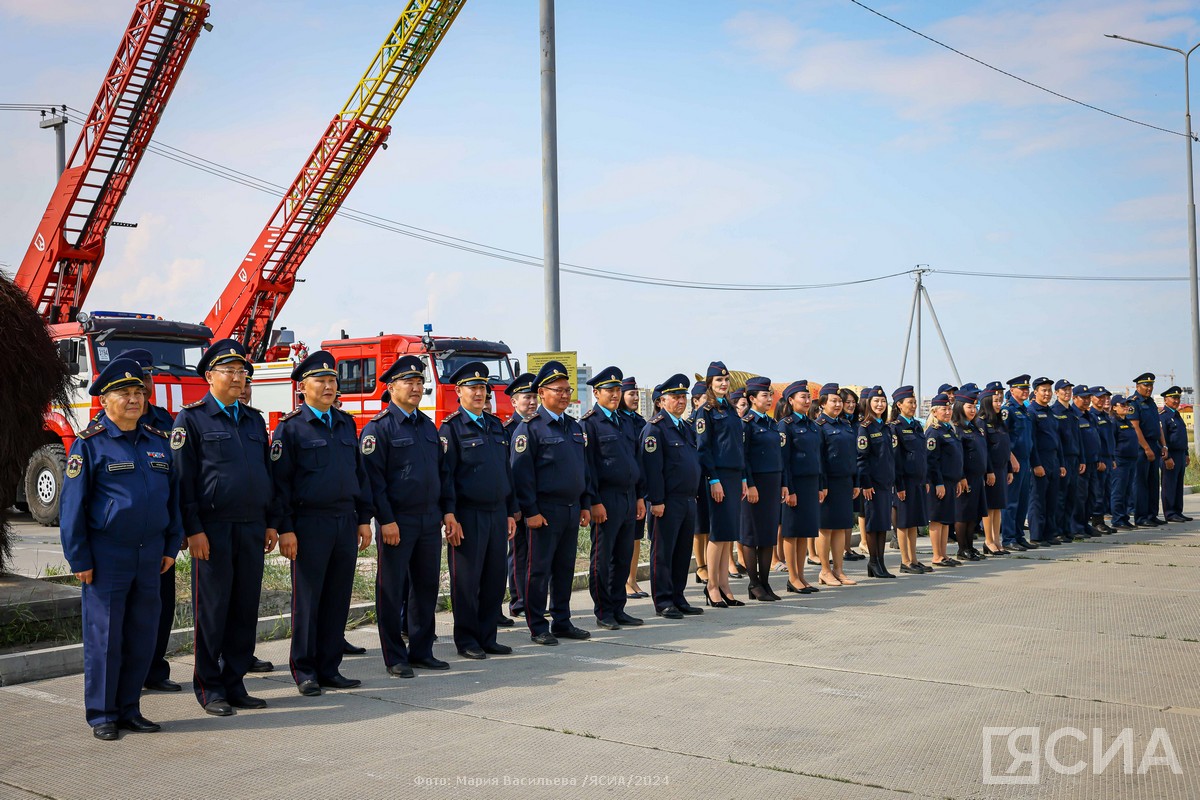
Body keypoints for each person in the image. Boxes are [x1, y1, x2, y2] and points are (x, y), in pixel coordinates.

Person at [60, 358, 183, 740]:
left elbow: (172, 500)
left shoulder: (157, 442)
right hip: (107, 555)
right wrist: (79, 556)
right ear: (104, 401)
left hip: (150, 555)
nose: (133, 400)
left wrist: (170, 545)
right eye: (124, 394)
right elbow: (72, 508)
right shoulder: (91, 444)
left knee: (142, 635)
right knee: (106, 637)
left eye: (138, 393)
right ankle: (102, 715)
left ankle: (130, 709)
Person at [172, 339, 276, 717]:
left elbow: (266, 474)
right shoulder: (192, 419)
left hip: (252, 527)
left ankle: (235, 682)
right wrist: (193, 528)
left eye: (242, 371)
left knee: (245, 608)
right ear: (209, 376)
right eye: (229, 371)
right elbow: (184, 482)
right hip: (212, 530)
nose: (237, 377)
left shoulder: (254, 420)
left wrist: (269, 522)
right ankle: (209, 686)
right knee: (213, 610)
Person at [269, 351, 373, 696]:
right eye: (321, 381)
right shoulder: (291, 427)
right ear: (303, 387)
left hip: (344, 520)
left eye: (332, 381)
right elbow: (280, 484)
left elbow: (359, 473)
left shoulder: (345, 423)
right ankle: (305, 670)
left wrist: (363, 519)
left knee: (337, 598)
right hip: (309, 522)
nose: (329, 387)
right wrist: (286, 527)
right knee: (309, 600)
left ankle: (330, 667)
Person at [92, 348, 182, 694]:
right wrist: (81, 556)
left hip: (155, 544)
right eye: (129, 388)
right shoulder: (95, 438)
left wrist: (176, 537)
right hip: (113, 549)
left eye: (143, 383)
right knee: (115, 624)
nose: (138, 392)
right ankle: (112, 698)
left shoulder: (163, 423)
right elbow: (79, 505)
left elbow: (174, 486)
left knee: (155, 612)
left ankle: (151, 673)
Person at [361, 355, 446, 677]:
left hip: (428, 519)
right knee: (391, 589)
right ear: (391, 387)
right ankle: (395, 656)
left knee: (426, 588)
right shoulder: (379, 428)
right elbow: (373, 480)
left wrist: (442, 512)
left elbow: (439, 472)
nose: (415, 388)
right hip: (398, 521)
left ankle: (422, 650)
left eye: (419, 382)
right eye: (408, 382)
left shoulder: (427, 426)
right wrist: (386, 520)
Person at [439, 362, 519, 659]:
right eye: (472, 388)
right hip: (467, 515)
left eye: (482, 387)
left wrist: (511, 511)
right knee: (467, 581)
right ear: (458, 391)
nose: (478, 392)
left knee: (494, 578)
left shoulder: (496, 425)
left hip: (497, 513)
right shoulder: (451, 428)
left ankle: (488, 636)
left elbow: (505, 472)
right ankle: (467, 639)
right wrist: (450, 514)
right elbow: (446, 476)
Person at [511, 360, 593, 645]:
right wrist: (530, 511)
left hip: (571, 510)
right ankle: (537, 624)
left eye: (567, 389)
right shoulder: (530, 428)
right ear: (542, 393)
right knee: (539, 570)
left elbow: (583, 469)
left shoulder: (573, 427)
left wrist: (585, 503)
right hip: (543, 513)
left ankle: (562, 619)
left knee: (564, 569)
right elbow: (521, 475)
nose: (564, 394)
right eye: (558, 390)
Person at [581, 366, 646, 629]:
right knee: (602, 557)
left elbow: (635, 460)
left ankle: (619, 607)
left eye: (618, 389)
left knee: (623, 555)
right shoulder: (590, 423)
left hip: (629, 496)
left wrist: (640, 496)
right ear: (596, 393)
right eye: (609, 390)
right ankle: (603, 610)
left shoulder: (625, 420)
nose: (615, 394)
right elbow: (588, 467)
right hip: (605, 499)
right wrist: (594, 500)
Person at [639, 374, 705, 619]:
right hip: (666, 501)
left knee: (681, 552)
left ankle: (679, 596)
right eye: (675, 397)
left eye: (683, 397)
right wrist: (656, 500)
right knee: (663, 553)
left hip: (687, 500)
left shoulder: (685, 427)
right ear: (661, 401)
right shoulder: (655, 428)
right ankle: (664, 600)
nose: (681, 401)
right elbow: (652, 468)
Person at [694, 361, 747, 607]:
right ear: (709, 384)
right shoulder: (705, 411)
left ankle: (725, 584)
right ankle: (712, 586)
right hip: (717, 477)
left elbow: (738, 446)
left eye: (726, 380)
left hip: (734, 476)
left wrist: (744, 479)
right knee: (717, 532)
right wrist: (713, 478)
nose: (724, 384)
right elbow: (703, 449)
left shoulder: (731, 409)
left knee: (728, 533)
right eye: (718, 381)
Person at [740, 376, 783, 600]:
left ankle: (765, 583)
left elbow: (779, 456)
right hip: (755, 485)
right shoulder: (747, 424)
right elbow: (743, 458)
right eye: (764, 395)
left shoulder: (772, 423)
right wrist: (751, 484)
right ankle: (753, 584)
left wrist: (783, 483)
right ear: (752, 398)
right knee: (751, 535)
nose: (769, 398)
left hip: (773, 484)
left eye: (770, 395)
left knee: (767, 536)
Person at [778, 381, 822, 592]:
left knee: (805, 531)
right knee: (791, 531)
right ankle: (792, 577)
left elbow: (818, 458)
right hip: (795, 484)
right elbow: (784, 461)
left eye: (808, 397)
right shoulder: (785, 425)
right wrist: (789, 488)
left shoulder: (813, 425)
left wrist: (821, 485)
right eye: (802, 397)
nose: (807, 401)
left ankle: (802, 576)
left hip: (811, 483)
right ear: (791, 400)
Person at [816, 384, 859, 585]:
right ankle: (824, 570)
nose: (838, 404)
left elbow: (853, 456)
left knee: (841, 527)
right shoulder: (819, 426)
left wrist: (855, 481)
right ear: (823, 403)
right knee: (826, 528)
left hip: (844, 481)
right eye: (833, 400)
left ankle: (839, 570)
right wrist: (821, 484)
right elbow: (819, 459)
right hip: (828, 483)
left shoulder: (845, 425)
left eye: (839, 401)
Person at [503, 372, 538, 619]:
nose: (533, 402)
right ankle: (519, 600)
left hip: (538, 502)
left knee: (537, 556)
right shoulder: (508, 429)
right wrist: (513, 506)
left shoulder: (538, 426)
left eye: (535, 397)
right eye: (527, 397)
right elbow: (509, 472)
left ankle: (534, 598)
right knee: (519, 553)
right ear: (514, 402)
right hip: (517, 504)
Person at [856, 385, 896, 579]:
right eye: (876, 401)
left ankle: (880, 562)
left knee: (882, 525)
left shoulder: (886, 428)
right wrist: (865, 483)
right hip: (872, 485)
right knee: (873, 525)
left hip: (886, 484)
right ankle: (873, 561)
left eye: (882, 401)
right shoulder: (865, 428)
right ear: (869, 404)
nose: (880, 404)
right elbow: (861, 458)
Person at [889, 386, 930, 573]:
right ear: (899, 405)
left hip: (918, 481)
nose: (913, 406)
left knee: (913, 522)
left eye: (914, 402)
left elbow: (922, 455)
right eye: (910, 402)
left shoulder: (916, 425)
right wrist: (899, 485)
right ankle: (905, 561)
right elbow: (896, 459)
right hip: (904, 482)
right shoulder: (895, 427)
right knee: (904, 523)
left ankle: (914, 558)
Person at [619, 377, 650, 599]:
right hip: (620, 489)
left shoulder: (640, 422)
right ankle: (623, 582)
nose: (636, 398)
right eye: (631, 394)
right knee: (623, 540)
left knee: (636, 537)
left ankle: (632, 579)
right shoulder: (618, 420)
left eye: (637, 394)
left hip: (638, 488)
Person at [926, 393, 964, 567]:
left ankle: (944, 554)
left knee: (946, 519)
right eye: (944, 409)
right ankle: (936, 555)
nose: (948, 412)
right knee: (937, 518)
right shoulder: (933, 432)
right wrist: (938, 483)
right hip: (939, 482)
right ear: (934, 411)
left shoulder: (948, 429)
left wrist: (957, 479)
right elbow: (932, 461)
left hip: (950, 481)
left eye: (949, 408)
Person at [1027, 377, 1065, 546]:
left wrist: (1062, 463)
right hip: (1040, 460)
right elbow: (1031, 441)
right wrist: (1036, 464)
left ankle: (1050, 533)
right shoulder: (1032, 412)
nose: (1047, 393)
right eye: (1044, 390)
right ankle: (1036, 535)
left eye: (1049, 390)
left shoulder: (1051, 413)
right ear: (1035, 392)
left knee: (1052, 499)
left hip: (1054, 460)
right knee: (1038, 500)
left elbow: (1058, 440)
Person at [978, 384, 1015, 556]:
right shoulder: (982, 422)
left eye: (1000, 400)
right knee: (989, 507)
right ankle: (988, 540)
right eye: (995, 401)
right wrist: (989, 471)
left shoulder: (999, 422)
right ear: (986, 402)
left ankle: (997, 540)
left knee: (998, 507)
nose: (999, 403)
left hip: (1001, 469)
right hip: (990, 471)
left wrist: (1008, 469)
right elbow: (983, 449)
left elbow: (1005, 448)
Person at [952, 386, 988, 561]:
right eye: (969, 407)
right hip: (965, 478)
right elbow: (958, 457)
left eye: (974, 407)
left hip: (977, 477)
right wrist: (961, 476)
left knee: (973, 514)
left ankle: (970, 546)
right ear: (960, 407)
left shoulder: (975, 428)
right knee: (963, 514)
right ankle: (962, 548)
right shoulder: (957, 429)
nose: (973, 411)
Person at [1001, 375, 1036, 551]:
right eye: (1021, 388)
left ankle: (1019, 535)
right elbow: (1003, 437)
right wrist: (1012, 458)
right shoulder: (1008, 410)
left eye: (1026, 388)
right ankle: (1008, 538)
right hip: (1014, 461)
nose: (1025, 391)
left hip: (1026, 460)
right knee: (1011, 501)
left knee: (1023, 501)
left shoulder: (1025, 410)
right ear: (1012, 390)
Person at [1128, 373, 1167, 527]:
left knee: (1153, 483)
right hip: (1141, 448)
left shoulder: (1150, 402)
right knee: (1141, 484)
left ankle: (1152, 514)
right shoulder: (1134, 403)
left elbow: (1158, 426)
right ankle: (1141, 517)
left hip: (1154, 445)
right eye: (1146, 385)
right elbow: (1135, 428)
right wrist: (1146, 448)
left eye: (1151, 385)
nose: (1149, 388)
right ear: (1138, 386)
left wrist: (1163, 445)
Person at [688, 381, 712, 585]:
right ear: (696, 401)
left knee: (707, 525)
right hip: (697, 478)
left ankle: (708, 564)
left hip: (709, 477)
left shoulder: (709, 418)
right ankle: (701, 566)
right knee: (699, 526)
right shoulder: (691, 422)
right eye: (705, 398)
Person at [839, 386, 866, 563]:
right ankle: (841, 549)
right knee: (839, 514)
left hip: (854, 473)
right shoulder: (836, 423)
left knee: (849, 513)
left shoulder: (857, 424)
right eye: (846, 402)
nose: (850, 405)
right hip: (839, 474)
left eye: (853, 402)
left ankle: (847, 548)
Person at [1072, 386, 1103, 538]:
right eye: (1083, 398)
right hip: (1080, 463)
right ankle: (1076, 527)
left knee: (1091, 496)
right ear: (1074, 398)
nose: (1086, 401)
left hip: (1093, 461)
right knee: (1079, 497)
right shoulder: (1074, 415)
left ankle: (1084, 524)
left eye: (1088, 398)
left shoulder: (1090, 416)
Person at [1160, 386, 1192, 523]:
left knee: (1178, 484)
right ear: (1166, 399)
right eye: (1173, 398)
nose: (1176, 400)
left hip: (1180, 454)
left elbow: (1182, 437)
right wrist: (1166, 457)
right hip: (1170, 454)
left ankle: (1178, 511)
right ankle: (1170, 512)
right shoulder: (1164, 416)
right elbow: (1163, 439)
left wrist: (1186, 453)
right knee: (1169, 484)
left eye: (1178, 398)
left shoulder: (1177, 415)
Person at [1089, 387, 1117, 533]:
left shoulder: (1105, 416)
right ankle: (1096, 521)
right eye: (1099, 397)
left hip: (1107, 458)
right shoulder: (1091, 415)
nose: (1102, 400)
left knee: (1106, 491)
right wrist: (1099, 459)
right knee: (1097, 492)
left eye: (1105, 397)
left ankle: (1101, 520)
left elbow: (1109, 440)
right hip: (1099, 460)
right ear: (1092, 398)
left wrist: (1112, 458)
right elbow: (1095, 441)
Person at [1109, 396, 1139, 530]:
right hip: (1120, 460)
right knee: (1118, 491)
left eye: (1126, 404)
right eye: (1122, 405)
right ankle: (1117, 519)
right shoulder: (1114, 422)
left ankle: (1124, 517)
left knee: (1128, 491)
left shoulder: (1127, 421)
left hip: (1131, 460)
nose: (1125, 407)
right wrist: (1113, 459)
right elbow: (1111, 442)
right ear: (1114, 407)